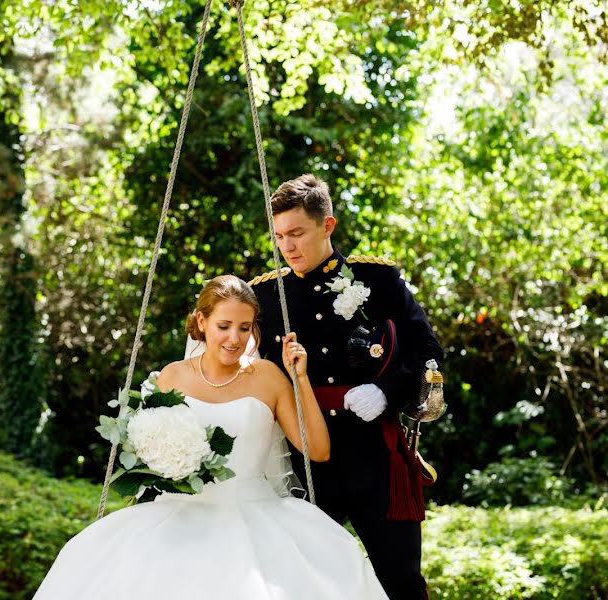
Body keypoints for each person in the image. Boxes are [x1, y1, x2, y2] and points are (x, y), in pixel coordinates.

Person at [34, 275, 387, 599]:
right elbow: (145, 448)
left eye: (244, 328)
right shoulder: (172, 376)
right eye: (224, 326)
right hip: (178, 511)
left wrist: (301, 379)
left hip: (257, 512)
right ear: (201, 323)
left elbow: (318, 450)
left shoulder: (268, 377)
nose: (234, 339)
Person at [249, 173, 444, 600]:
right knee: (309, 588)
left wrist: (388, 391)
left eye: (297, 233)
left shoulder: (378, 280)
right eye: (280, 236)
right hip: (304, 468)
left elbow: (427, 350)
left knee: (401, 582)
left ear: (327, 226)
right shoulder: (266, 295)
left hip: (376, 459)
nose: (288, 246)